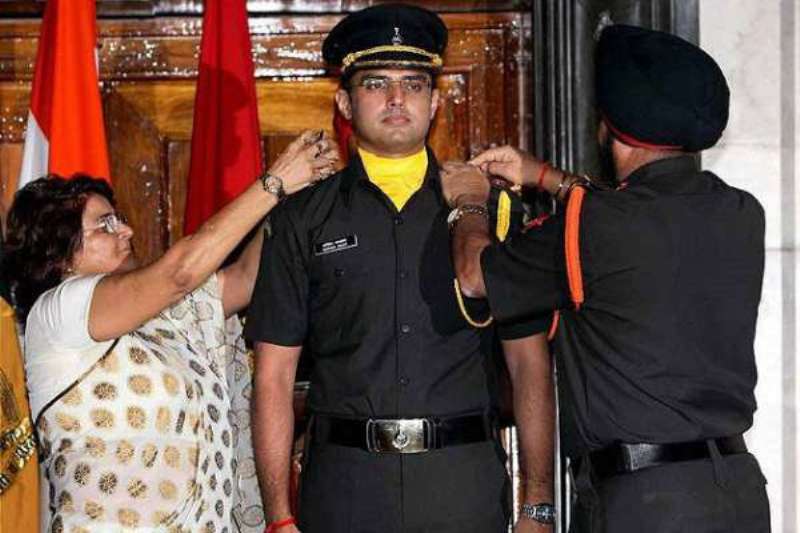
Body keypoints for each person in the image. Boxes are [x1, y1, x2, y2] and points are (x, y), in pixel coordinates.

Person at [440, 24, 771, 532]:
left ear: (608, 124)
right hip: (737, 493)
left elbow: (474, 276)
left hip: (647, 504)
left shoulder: (594, 225)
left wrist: (468, 202)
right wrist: (544, 176)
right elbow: (630, 217)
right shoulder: (740, 212)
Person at [244, 4, 554, 533]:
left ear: (434, 102)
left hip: (460, 484)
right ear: (345, 102)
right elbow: (273, 375)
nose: (395, 98)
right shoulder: (303, 217)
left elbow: (529, 363)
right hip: (346, 487)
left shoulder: (493, 210)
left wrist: (538, 505)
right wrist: (278, 516)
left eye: (413, 84)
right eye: (376, 83)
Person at [2, 130, 338, 532]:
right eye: (104, 225)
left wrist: (293, 194)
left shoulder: (158, 315)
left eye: (119, 218)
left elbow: (245, 278)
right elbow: (179, 273)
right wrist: (274, 183)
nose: (126, 231)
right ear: (59, 253)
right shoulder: (58, 312)